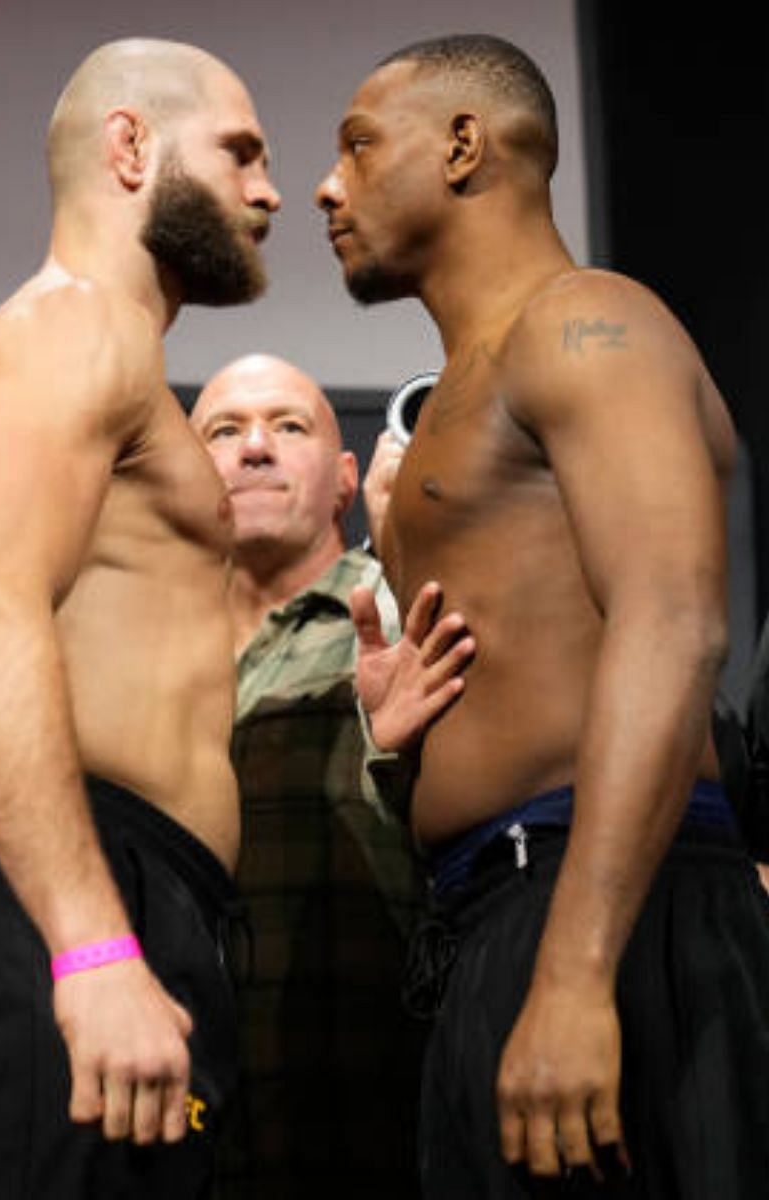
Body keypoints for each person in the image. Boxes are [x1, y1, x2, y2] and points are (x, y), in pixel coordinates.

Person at [318, 35, 769, 1195]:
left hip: (612, 912)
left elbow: (673, 622)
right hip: (494, 916)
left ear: (465, 145)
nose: (329, 186)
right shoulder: (462, 395)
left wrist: (575, 973)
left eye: (360, 148)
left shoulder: (587, 323)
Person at [0, 40, 278, 1196]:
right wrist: (95, 948)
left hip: (100, 886)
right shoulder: (72, 331)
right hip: (82, 898)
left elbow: (17, 605)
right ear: (131, 145)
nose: (268, 192)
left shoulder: (94, 354)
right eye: (241, 153)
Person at [187, 354, 447, 1197]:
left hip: (378, 1107)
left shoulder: (406, 611)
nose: (254, 448)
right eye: (224, 431)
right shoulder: (145, 657)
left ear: (345, 480)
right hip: (190, 1126)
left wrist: (407, 755)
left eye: (287, 426)